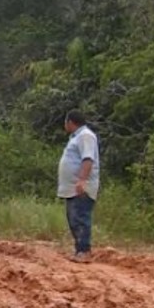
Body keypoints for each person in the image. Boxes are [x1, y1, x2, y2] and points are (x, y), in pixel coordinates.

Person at [58, 110, 100, 262]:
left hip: (81, 187)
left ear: (70, 122)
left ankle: (84, 251)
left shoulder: (85, 136)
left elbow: (87, 159)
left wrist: (82, 180)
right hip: (72, 188)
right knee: (73, 218)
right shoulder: (76, 137)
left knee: (80, 218)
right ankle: (80, 250)